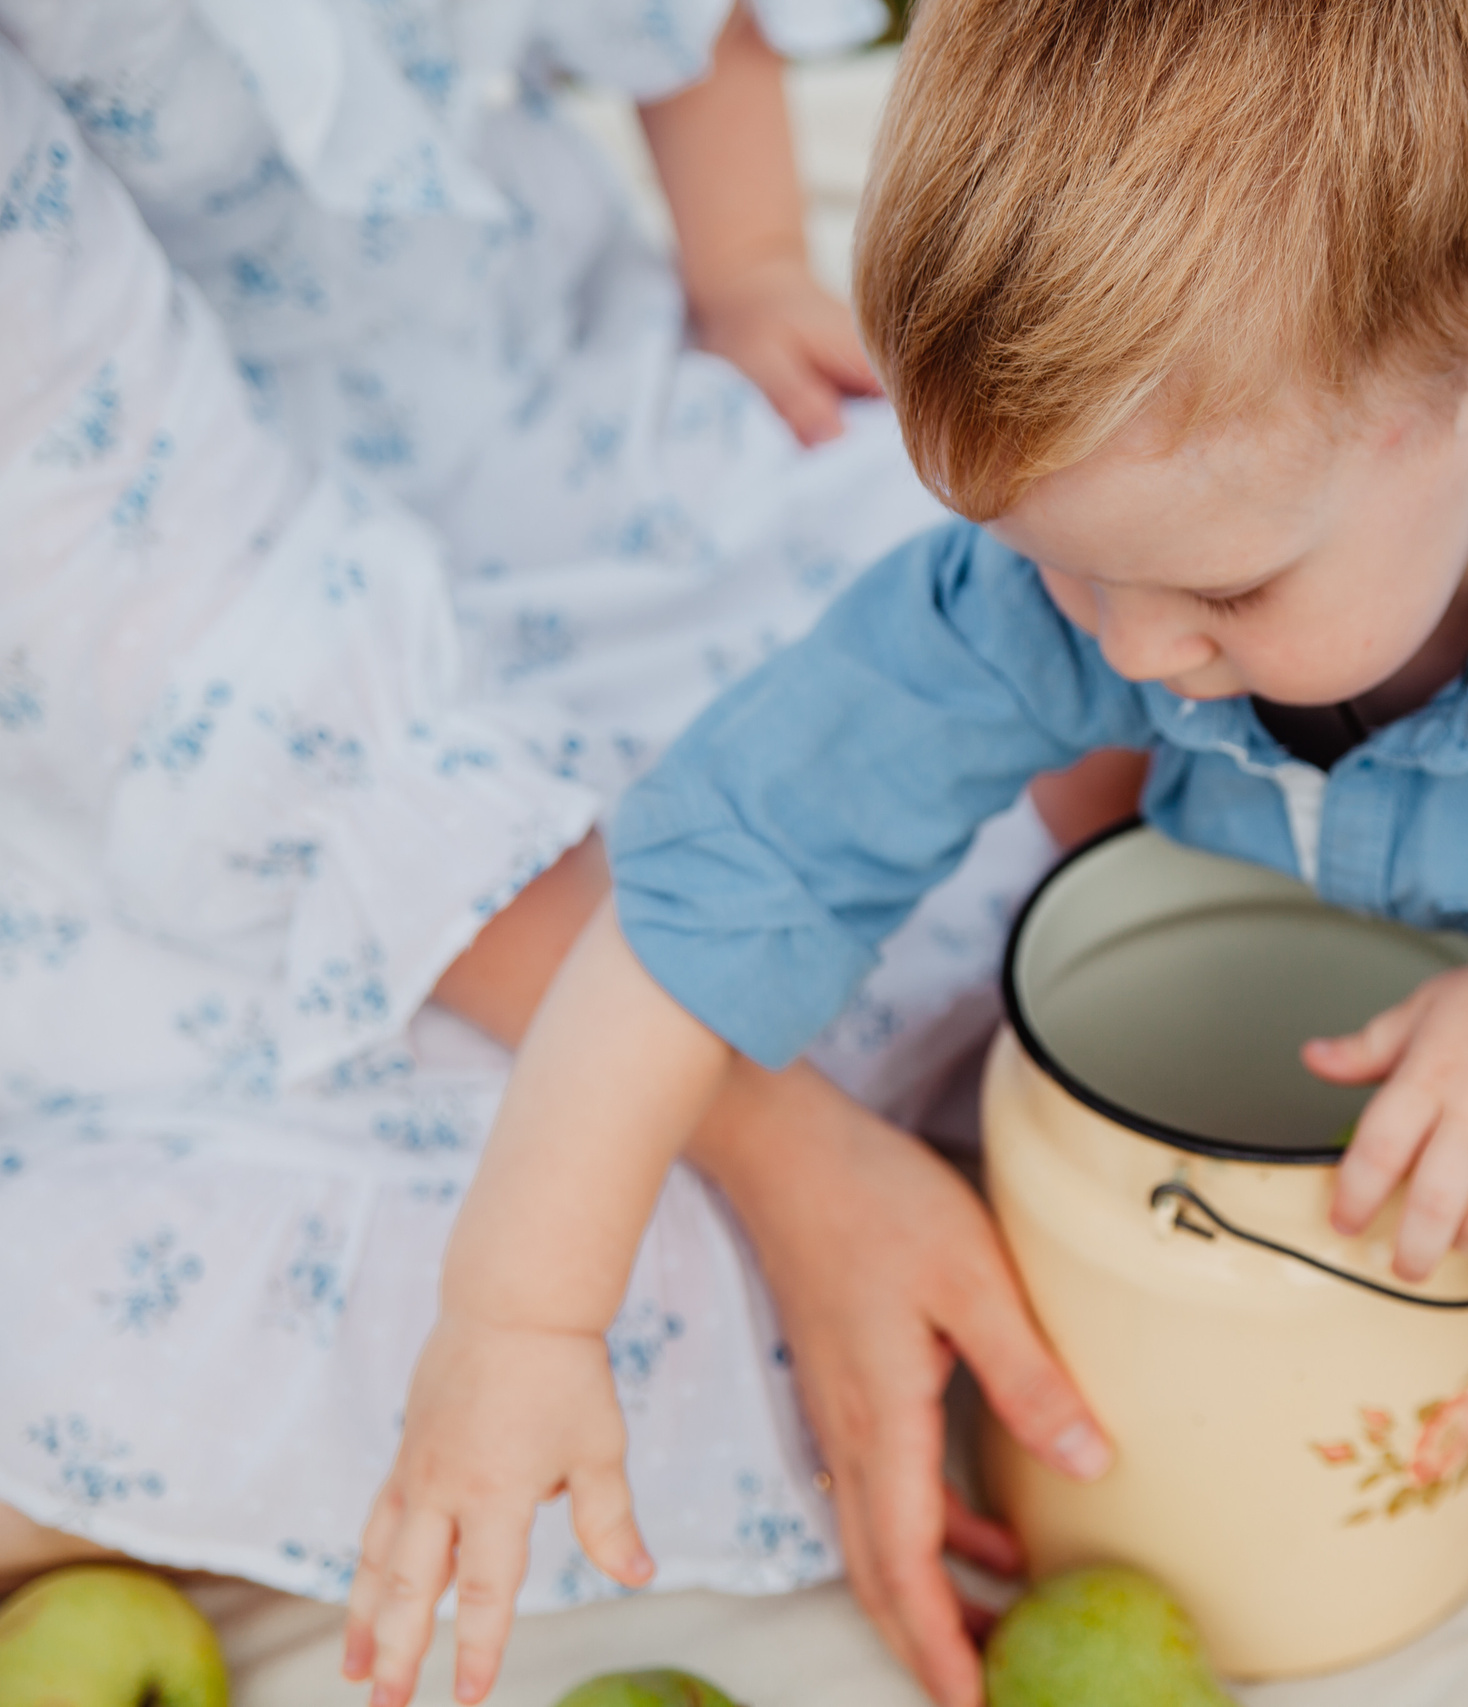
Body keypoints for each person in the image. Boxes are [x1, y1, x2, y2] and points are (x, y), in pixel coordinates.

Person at [341, 2, 1468, 1705]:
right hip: (1288, 841)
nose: (1131, 640)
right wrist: (519, 1311)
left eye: (1219, 586)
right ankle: (1232, 886)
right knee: (1071, 739)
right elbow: (732, 858)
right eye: (1061, 559)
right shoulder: (1135, 578)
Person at [0, 4, 1137, 1621]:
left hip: (549, 427)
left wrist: (741, 262)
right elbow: (179, 632)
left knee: (1118, 587)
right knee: (572, 1234)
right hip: (140, 708)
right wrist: (771, 1135)